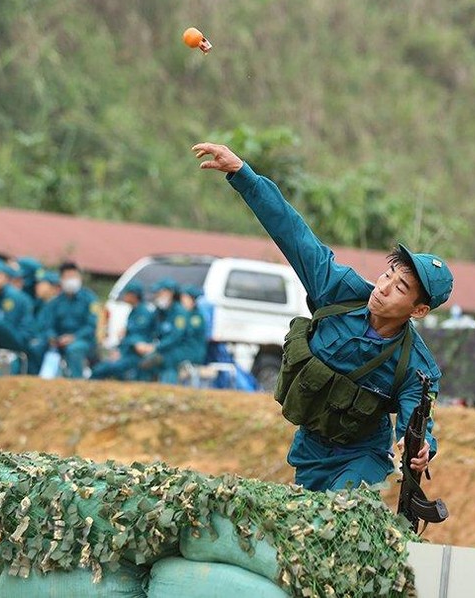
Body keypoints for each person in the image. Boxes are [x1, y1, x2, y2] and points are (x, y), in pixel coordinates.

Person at [192, 142, 453, 491]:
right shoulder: (338, 291)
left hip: (364, 457)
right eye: (389, 273)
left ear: (418, 311)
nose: (385, 286)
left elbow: (418, 424)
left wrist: (422, 448)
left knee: (340, 512)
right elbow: (293, 233)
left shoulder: (417, 367)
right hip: (310, 451)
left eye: (401, 287)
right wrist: (243, 174)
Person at [41, 261, 98, 378]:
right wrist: (52, 338)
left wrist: (73, 337)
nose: (71, 280)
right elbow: (48, 325)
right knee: (38, 346)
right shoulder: (55, 302)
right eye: (68, 277)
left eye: (74, 276)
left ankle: (76, 382)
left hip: (83, 341)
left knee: (74, 349)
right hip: (59, 341)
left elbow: (91, 326)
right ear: (61, 279)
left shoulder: (90, 299)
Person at [90, 280, 157, 381]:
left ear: (134, 295)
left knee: (102, 369)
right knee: (101, 367)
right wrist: (119, 349)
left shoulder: (144, 313)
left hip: (134, 356)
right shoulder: (133, 312)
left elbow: (138, 339)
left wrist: (122, 350)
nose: (125, 296)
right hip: (125, 353)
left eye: (127, 293)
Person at [137, 278, 189, 384]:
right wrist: (143, 344)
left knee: (166, 362)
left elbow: (176, 337)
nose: (156, 296)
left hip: (179, 349)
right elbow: (150, 329)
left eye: (159, 293)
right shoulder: (160, 311)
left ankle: (168, 388)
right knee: (141, 361)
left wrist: (155, 347)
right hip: (163, 349)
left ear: (170, 293)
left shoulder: (180, 313)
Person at [179, 285, 208, 366]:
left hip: (192, 351)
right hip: (184, 349)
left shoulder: (197, 317)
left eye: (185, 298)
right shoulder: (184, 314)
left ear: (192, 300)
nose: (182, 301)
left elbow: (186, 332)